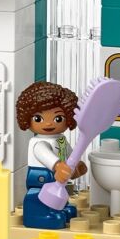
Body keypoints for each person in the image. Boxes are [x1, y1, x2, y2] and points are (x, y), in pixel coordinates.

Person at [15, 82, 84, 229]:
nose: (48, 124)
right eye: (38, 119)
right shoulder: (38, 142)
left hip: (58, 175)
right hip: (40, 177)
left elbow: (68, 152)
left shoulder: (60, 139)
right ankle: (38, 215)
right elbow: (43, 153)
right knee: (37, 195)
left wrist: (76, 164)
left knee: (59, 192)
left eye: (58, 119)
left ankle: (58, 208)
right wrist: (58, 165)